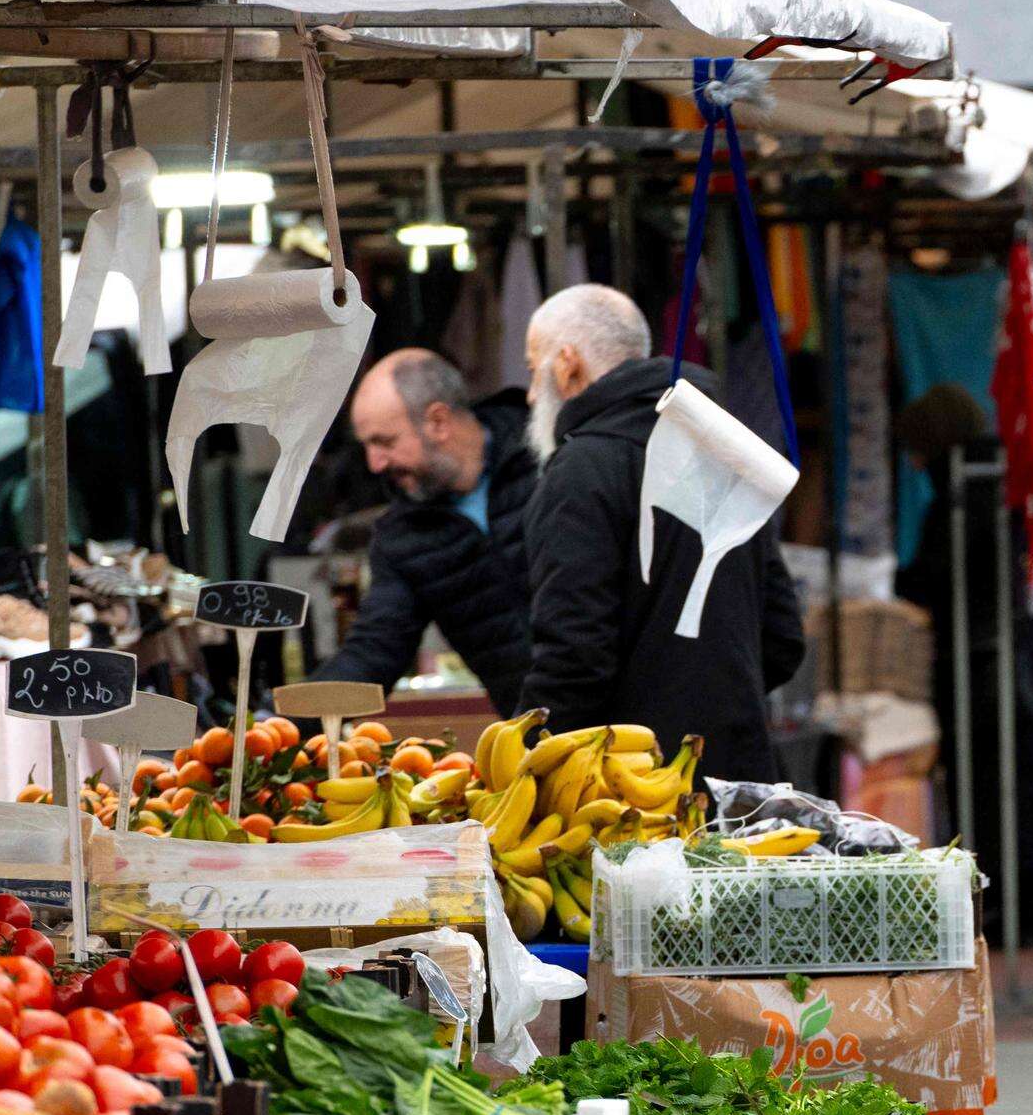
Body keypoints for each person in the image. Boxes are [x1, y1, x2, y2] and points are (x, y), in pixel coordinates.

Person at [515, 284, 807, 785]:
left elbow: (574, 657)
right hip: (743, 778)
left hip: (632, 793)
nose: (530, 394)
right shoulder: (724, 454)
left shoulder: (579, 472)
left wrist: (522, 767)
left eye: (532, 370)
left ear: (566, 365)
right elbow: (782, 636)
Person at [311, 350, 539, 713]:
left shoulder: (549, 453)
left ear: (438, 422)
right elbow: (372, 654)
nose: (374, 464)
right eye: (367, 445)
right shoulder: (403, 538)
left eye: (384, 442)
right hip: (538, 736)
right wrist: (275, 724)